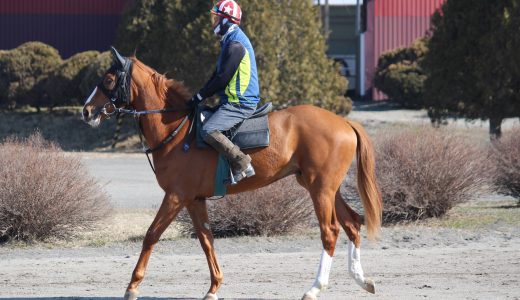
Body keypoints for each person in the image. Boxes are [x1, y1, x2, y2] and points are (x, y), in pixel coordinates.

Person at [189, 0, 260, 184]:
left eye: (216, 18)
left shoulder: (235, 44)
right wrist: (199, 95)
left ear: (226, 21)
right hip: (231, 101)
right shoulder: (229, 40)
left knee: (209, 130)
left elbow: (222, 79)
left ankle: (242, 163)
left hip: (241, 104)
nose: (213, 22)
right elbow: (216, 75)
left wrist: (200, 96)